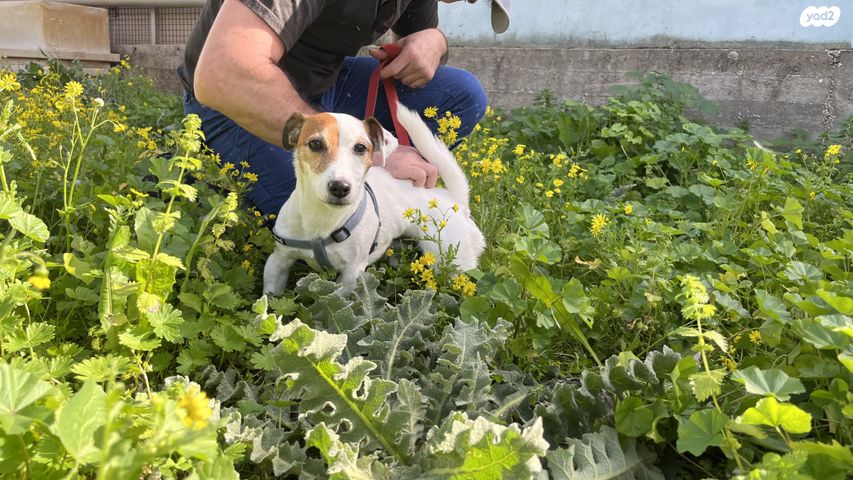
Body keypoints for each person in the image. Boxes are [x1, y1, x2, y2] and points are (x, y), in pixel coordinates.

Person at [179, 0, 511, 216]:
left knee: (461, 94)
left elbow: (422, 36)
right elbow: (223, 74)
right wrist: (381, 152)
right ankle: (202, 170)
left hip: (327, 85)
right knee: (331, 220)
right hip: (234, 102)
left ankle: (376, 195)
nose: (468, 2)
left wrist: (435, 41)